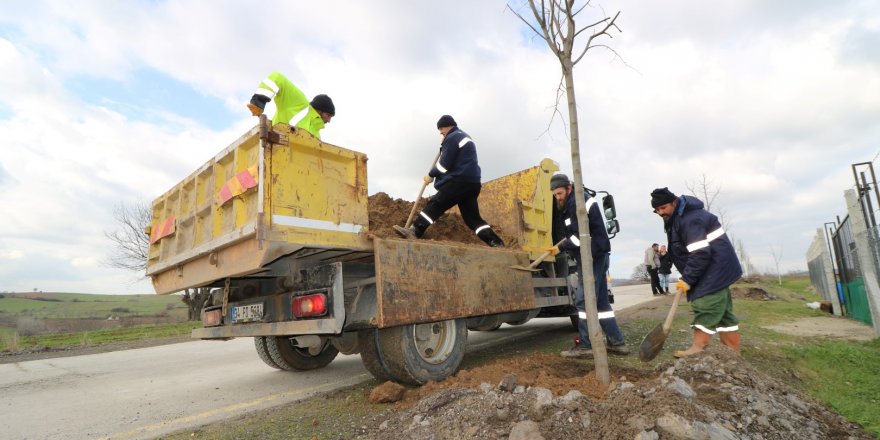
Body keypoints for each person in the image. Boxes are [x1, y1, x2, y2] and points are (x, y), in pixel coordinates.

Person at [651, 187, 743, 357]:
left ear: (674, 201)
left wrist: (688, 278)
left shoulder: (689, 219)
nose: (660, 212)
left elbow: (700, 252)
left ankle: (697, 349)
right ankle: (733, 353)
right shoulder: (676, 217)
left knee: (705, 305)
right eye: (656, 210)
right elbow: (680, 249)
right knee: (724, 316)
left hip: (714, 269)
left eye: (663, 208)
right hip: (714, 268)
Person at [548, 174, 629, 358]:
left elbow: (579, 237)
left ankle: (586, 346)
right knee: (600, 302)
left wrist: (559, 248)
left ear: (568, 187)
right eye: (555, 195)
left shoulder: (577, 202)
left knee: (583, 300)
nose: (557, 197)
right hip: (597, 254)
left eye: (559, 193)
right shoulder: (572, 202)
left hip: (591, 256)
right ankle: (618, 343)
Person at [393, 115, 505, 247]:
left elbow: (443, 165)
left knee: (435, 204)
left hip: (459, 181)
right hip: (472, 184)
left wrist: (430, 175)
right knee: (472, 219)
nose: (440, 132)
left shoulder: (452, 137)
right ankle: (496, 242)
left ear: (448, 125)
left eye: (441, 128)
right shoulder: (463, 136)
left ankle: (415, 231)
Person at [246, 71, 335, 139]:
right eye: (328, 115)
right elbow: (277, 77)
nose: (329, 120)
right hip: (273, 149)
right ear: (319, 109)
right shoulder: (300, 103)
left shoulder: (317, 135)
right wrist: (259, 100)